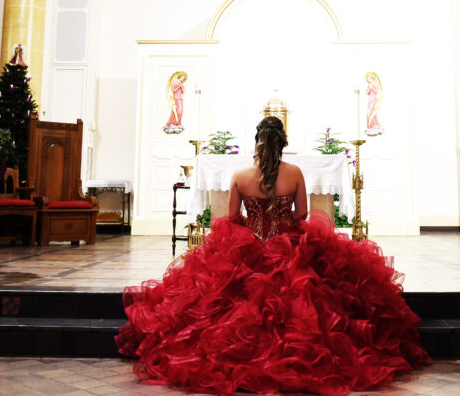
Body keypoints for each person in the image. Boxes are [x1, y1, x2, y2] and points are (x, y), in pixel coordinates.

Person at [117, 116, 429, 395]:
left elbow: (231, 219)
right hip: (288, 244)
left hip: (248, 246)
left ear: (257, 142)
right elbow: (304, 214)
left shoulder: (240, 175)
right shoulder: (295, 173)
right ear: (283, 144)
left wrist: (255, 228)